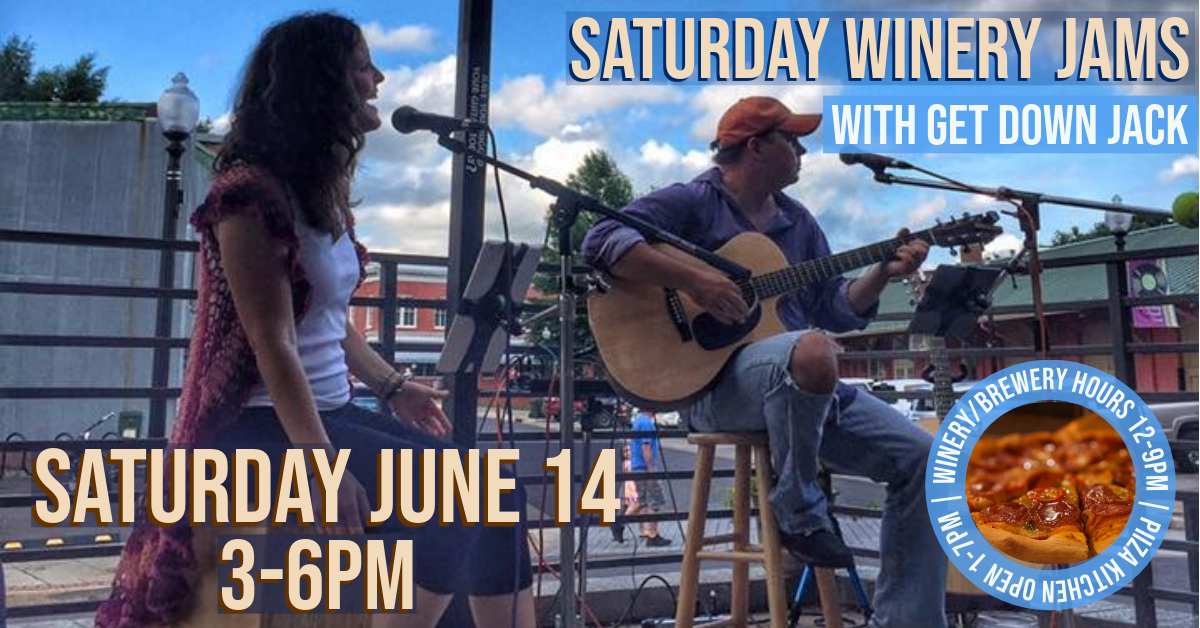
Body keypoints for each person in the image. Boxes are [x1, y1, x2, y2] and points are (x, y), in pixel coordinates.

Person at [96, 13, 534, 628]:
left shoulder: (315, 191)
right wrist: (320, 466)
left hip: (327, 410)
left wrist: (392, 386)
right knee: (456, 501)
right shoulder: (247, 194)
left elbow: (329, 319)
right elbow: (271, 339)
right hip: (258, 426)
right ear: (320, 84)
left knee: (496, 492)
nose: (379, 78)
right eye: (363, 67)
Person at [582, 96, 945, 628]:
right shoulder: (691, 202)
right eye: (792, 140)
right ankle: (797, 506)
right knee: (813, 349)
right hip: (714, 389)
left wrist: (882, 274)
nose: (802, 151)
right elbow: (603, 239)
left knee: (927, 459)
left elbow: (837, 309)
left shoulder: (799, 223)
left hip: (801, 391)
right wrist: (695, 279)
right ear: (755, 147)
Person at [628, 409, 671, 546]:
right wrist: (651, 469)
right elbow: (645, 447)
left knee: (643, 501)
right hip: (645, 467)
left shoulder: (638, 420)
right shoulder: (646, 423)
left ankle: (618, 522)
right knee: (655, 501)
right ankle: (653, 535)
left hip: (638, 466)